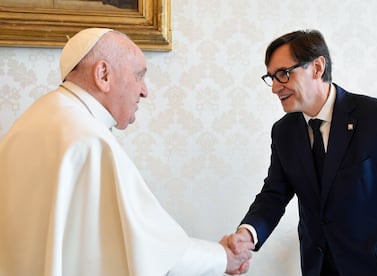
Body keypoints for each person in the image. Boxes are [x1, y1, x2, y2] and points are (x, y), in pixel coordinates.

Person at [0, 28, 254, 276]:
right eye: (139, 76)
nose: (145, 91)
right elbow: (154, 252)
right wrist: (224, 258)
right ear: (103, 74)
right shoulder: (89, 140)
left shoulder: (34, 119)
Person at [225, 29, 377, 275]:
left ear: (317, 67)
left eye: (283, 74)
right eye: (271, 77)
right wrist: (247, 234)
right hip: (320, 268)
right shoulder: (284, 132)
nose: (274, 88)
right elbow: (274, 194)